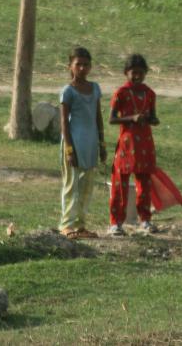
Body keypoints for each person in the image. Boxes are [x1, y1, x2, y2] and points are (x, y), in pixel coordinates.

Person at [108, 54, 182, 236]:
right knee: (121, 184)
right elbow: (112, 119)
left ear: (145, 73)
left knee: (144, 185)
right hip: (127, 144)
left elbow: (153, 117)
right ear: (126, 73)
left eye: (141, 73)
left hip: (145, 144)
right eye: (134, 73)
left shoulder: (150, 94)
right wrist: (132, 118)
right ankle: (116, 223)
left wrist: (152, 120)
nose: (137, 76)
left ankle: (145, 220)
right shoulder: (121, 93)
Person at [59, 47, 107, 240]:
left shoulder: (94, 88)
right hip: (74, 143)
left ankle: (80, 225)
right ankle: (66, 224)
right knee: (72, 184)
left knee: (87, 185)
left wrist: (102, 144)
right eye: (78, 64)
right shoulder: (68, 91)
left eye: (86, 64)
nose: (82, 68)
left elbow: (98, 116)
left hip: (90, 143)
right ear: (70, 66)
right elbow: (63, 122)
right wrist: (69, 149)